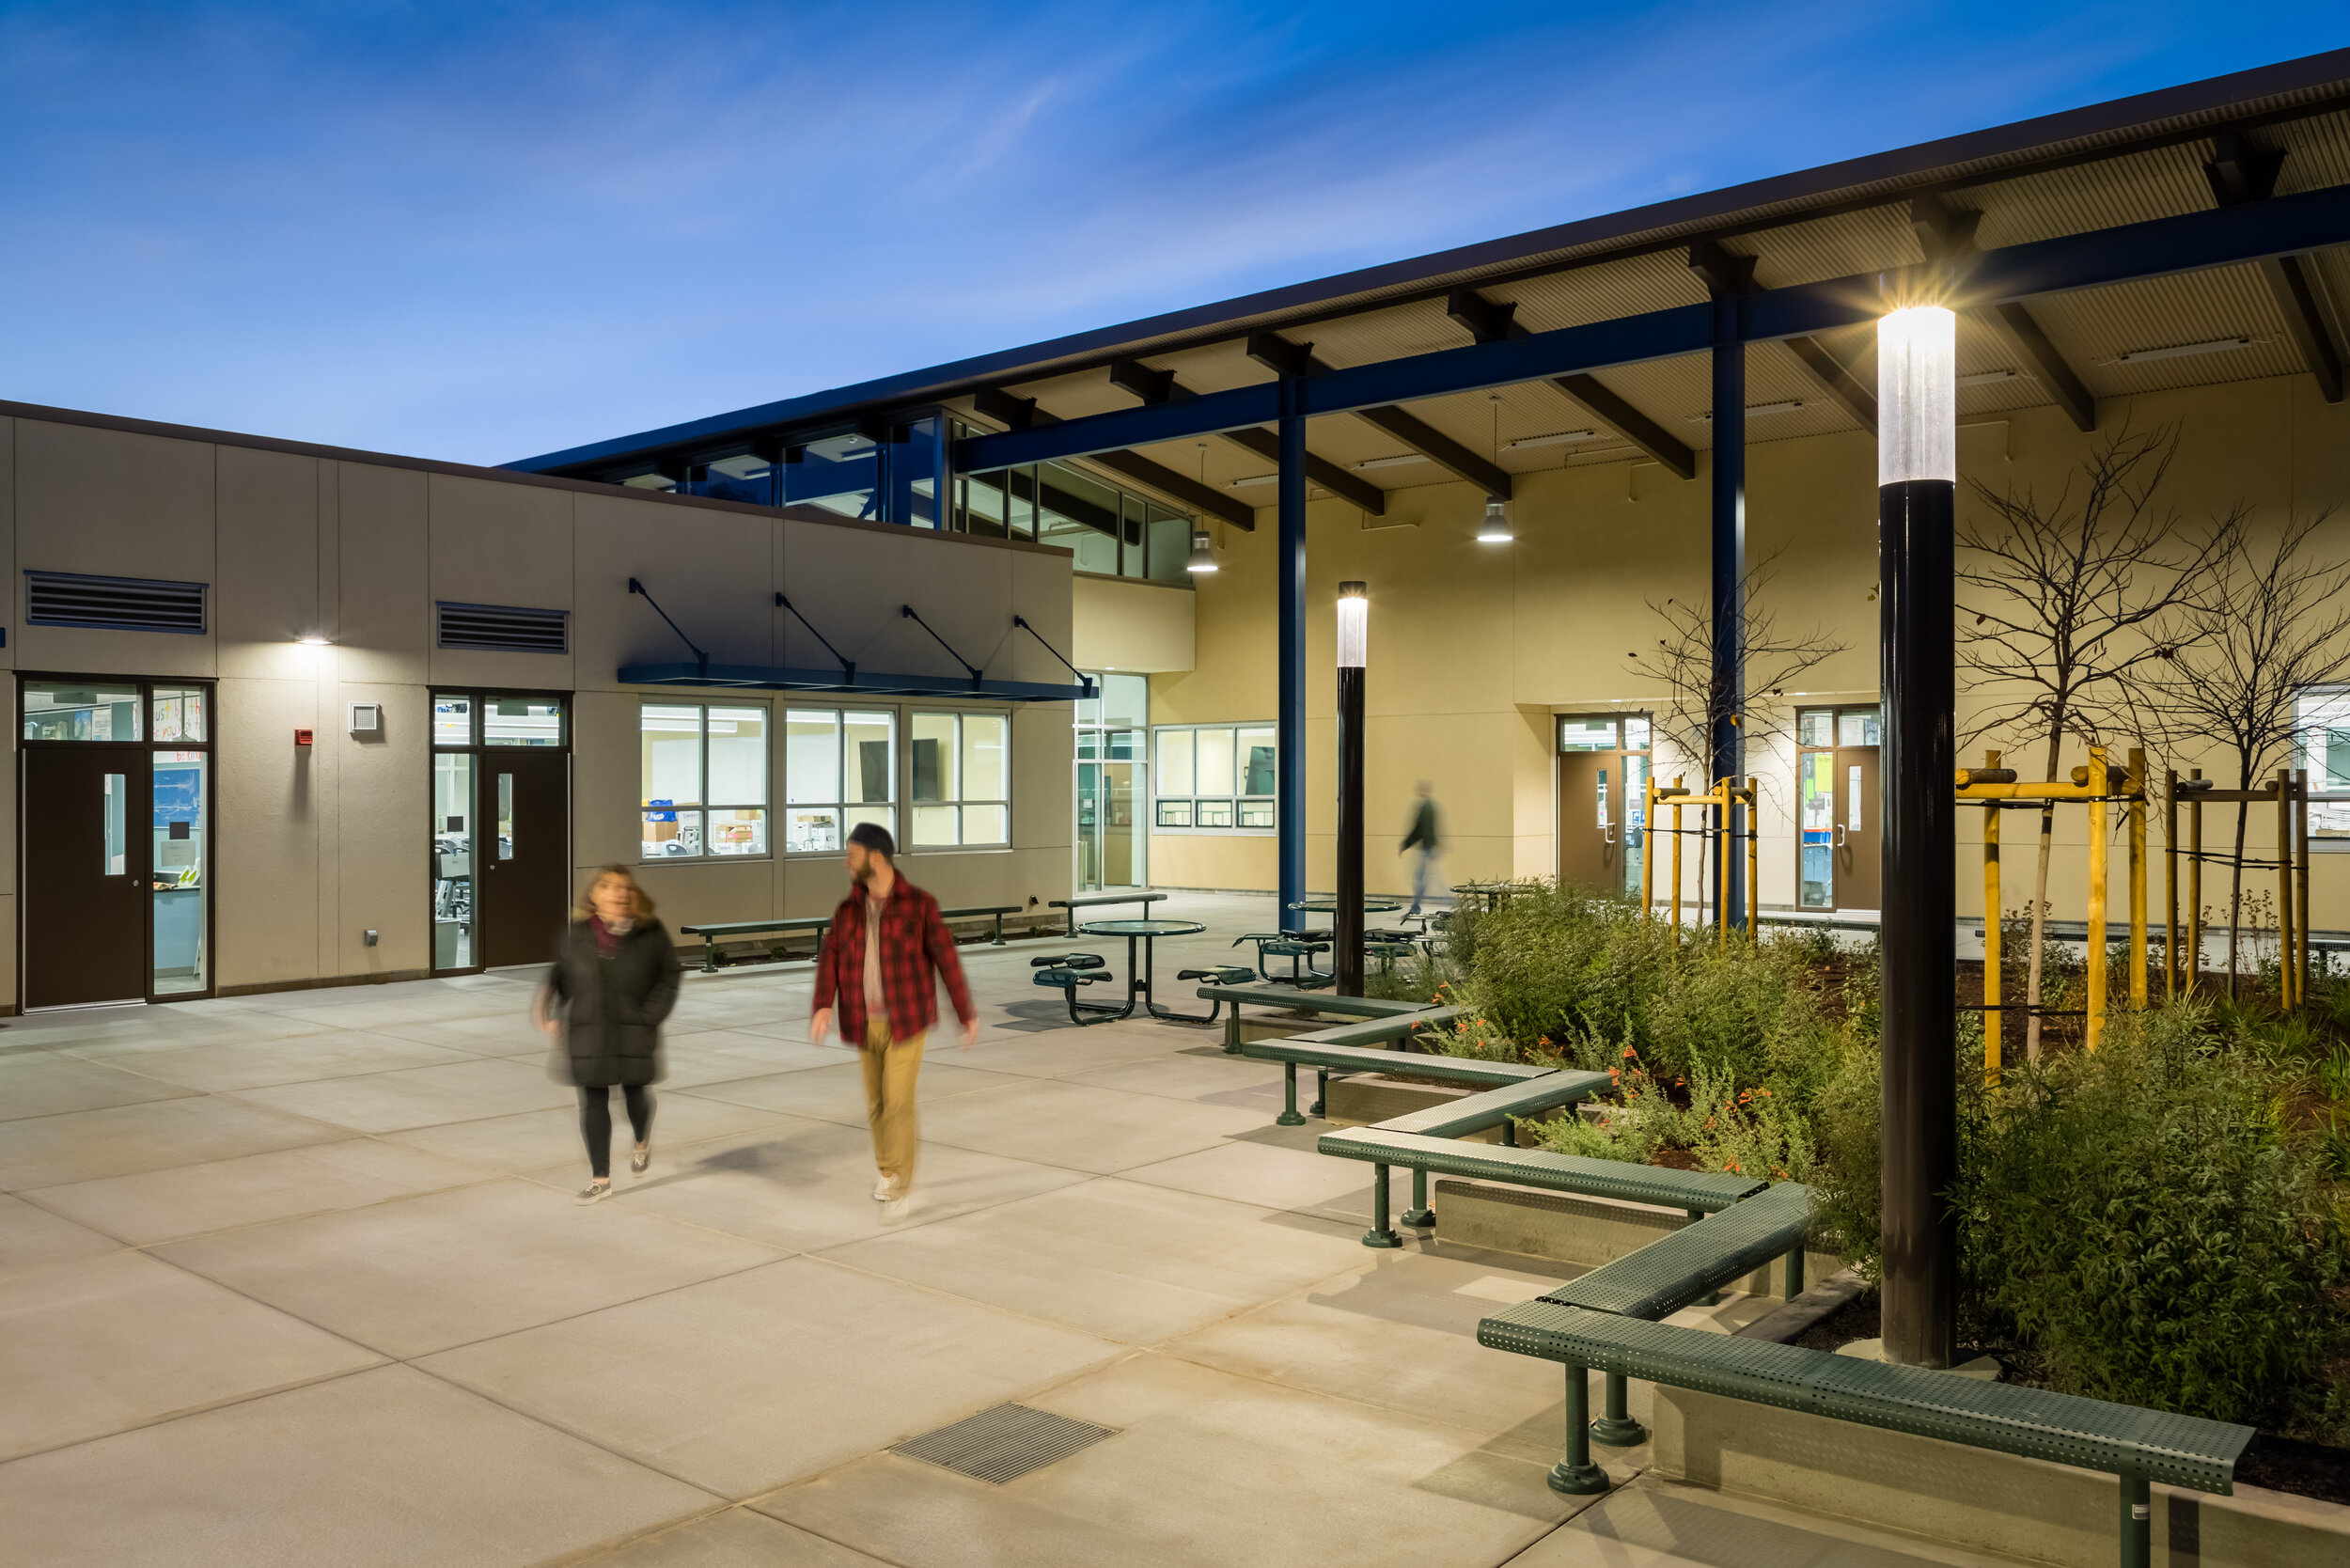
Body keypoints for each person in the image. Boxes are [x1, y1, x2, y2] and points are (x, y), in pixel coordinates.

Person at [809, 822, 979, 1216]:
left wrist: (965, 1012)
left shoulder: (919, 905)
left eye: (851, 855)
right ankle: (888, 1171)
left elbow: (945, 959)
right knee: (876, 1104)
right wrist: (822, 1005)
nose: (846, 862)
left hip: (907, 1020)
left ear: (876, 857)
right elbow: (831, 957)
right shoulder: (847, 909)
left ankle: (899, 1183)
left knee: (898, 1103)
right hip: (863, 1019)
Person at [534, 866, 679, 1205]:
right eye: (609, 886)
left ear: (633, 895)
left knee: (635, 1095)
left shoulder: (650, 932)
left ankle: (641, 1139)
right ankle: (601, 1178)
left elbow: (669, 977)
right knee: (593, 1099)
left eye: (624, 887)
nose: (618, 892)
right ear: (594, 896)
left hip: (633, 1029)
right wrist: (550, 1012)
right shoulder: (578, 933)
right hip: (589, 1028)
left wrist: (649, 1017)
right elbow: (560, 973)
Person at [1402, 780, 1442, 917]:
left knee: (1420, 879)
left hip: (1426, 847)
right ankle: (1416, 906)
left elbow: (1420, 828)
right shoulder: (1430, 806)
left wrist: (1405, 844)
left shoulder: (1426, 807)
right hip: (1428, 847)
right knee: (1426, 878)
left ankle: (1416, 907)